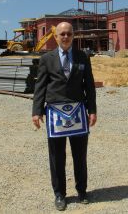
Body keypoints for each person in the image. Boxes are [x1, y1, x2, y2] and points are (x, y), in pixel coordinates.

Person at [32, 21, 97, 211]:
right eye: (62, 34)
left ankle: (82, 191)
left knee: (80, 155)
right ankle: (59, 194)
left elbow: (89, 86)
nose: (66, 37)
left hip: (78, 113)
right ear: (56, 37)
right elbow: (40, 87)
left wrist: (92, 110)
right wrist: (36, 111)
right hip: (55, 116)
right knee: (56, 157)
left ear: (73, 36)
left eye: (69, 33)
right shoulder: (47, 59)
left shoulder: (82, 57)